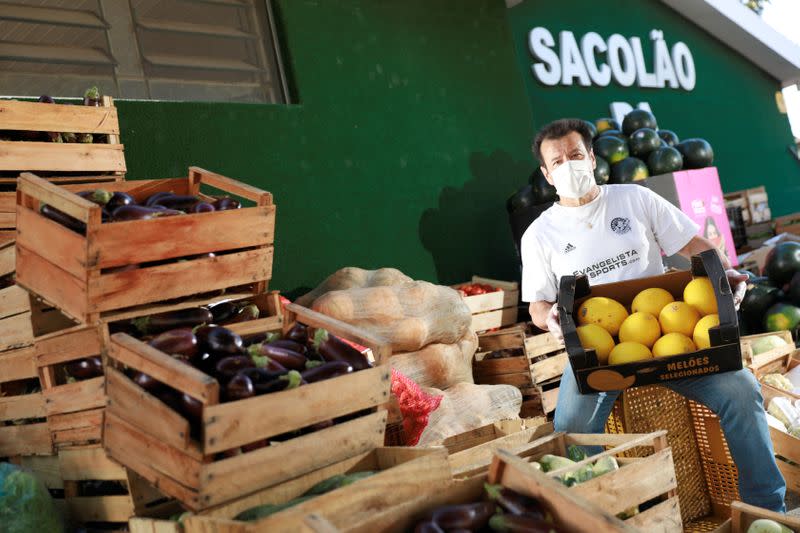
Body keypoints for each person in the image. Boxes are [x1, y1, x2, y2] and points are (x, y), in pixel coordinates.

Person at [521, 118, 786, 512]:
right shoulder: (539, 234)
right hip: (597, 353)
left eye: (576, 155)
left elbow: (695, 245)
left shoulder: (634, 198)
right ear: (546, 174)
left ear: (592, 158)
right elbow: (537, 304)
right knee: (571, 430)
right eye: (557, 161)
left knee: (741, 390)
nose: (568, 165)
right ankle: (598, 518)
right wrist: (551, 320)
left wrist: (722, 272)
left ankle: (767, 509)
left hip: (671, 336)